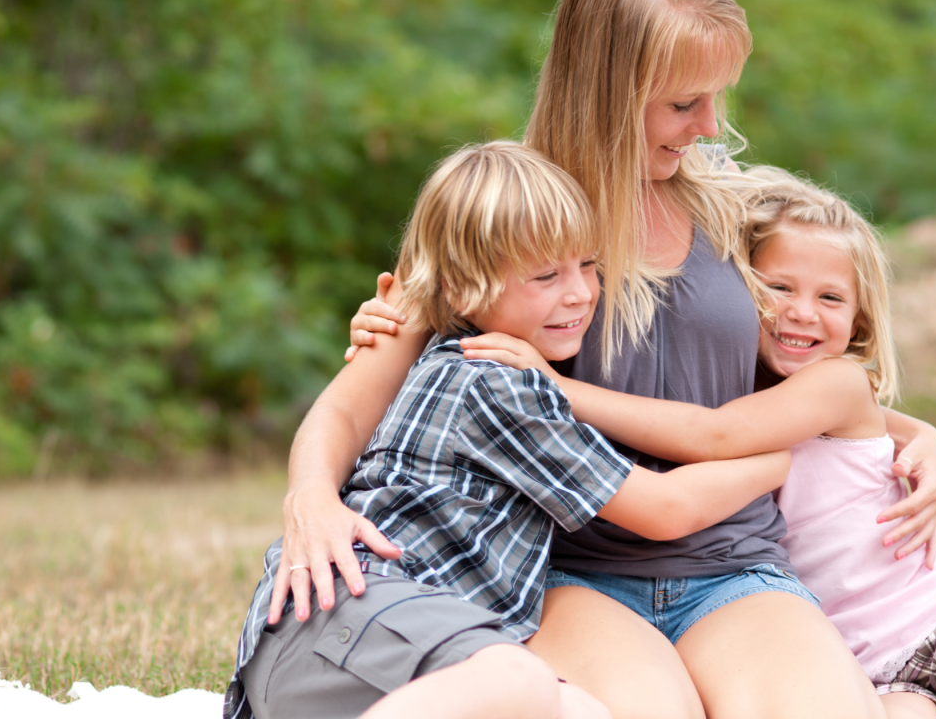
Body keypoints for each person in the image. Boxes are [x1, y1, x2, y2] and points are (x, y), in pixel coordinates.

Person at [286, 0, 936, 718]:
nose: (709, 126)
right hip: (570, 574)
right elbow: (354, 401)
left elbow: (791, 375)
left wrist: (914, 434)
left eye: (717, 98)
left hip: (735, 564)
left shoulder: (736, 207)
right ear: (606, 89)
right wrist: (311, 495)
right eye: (683, 103)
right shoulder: (508, 215)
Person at [464, 166, 936, 719]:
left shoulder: (832, 384)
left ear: (859, 319)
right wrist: (922, 430)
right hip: (864, 650)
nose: (801, 312)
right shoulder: (760, 391)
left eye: (830, 298)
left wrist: (555, 387)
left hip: (935, 618)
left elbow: (716, 434)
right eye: (779, 289)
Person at [224, 141, 790, 719]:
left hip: (362, 643)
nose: (580, 292)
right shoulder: (497, 386)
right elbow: (665, 509)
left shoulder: (455, 355)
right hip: (350, 612)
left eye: (589, 264)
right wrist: (779, 458)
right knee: (518, 679)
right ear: (461, 288)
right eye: (546, 275)